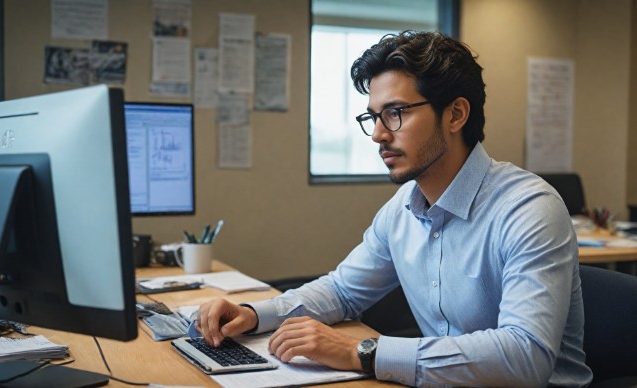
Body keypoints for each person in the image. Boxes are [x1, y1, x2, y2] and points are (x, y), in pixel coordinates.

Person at [194, 30, 593, 387]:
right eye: (374, 117)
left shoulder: (528, 209)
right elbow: (343, 291)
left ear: (456, 114)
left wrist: (363, 352)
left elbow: (526, 357)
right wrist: (252, 313)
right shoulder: (404, 206)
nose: (379, 134)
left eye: (396, 113)